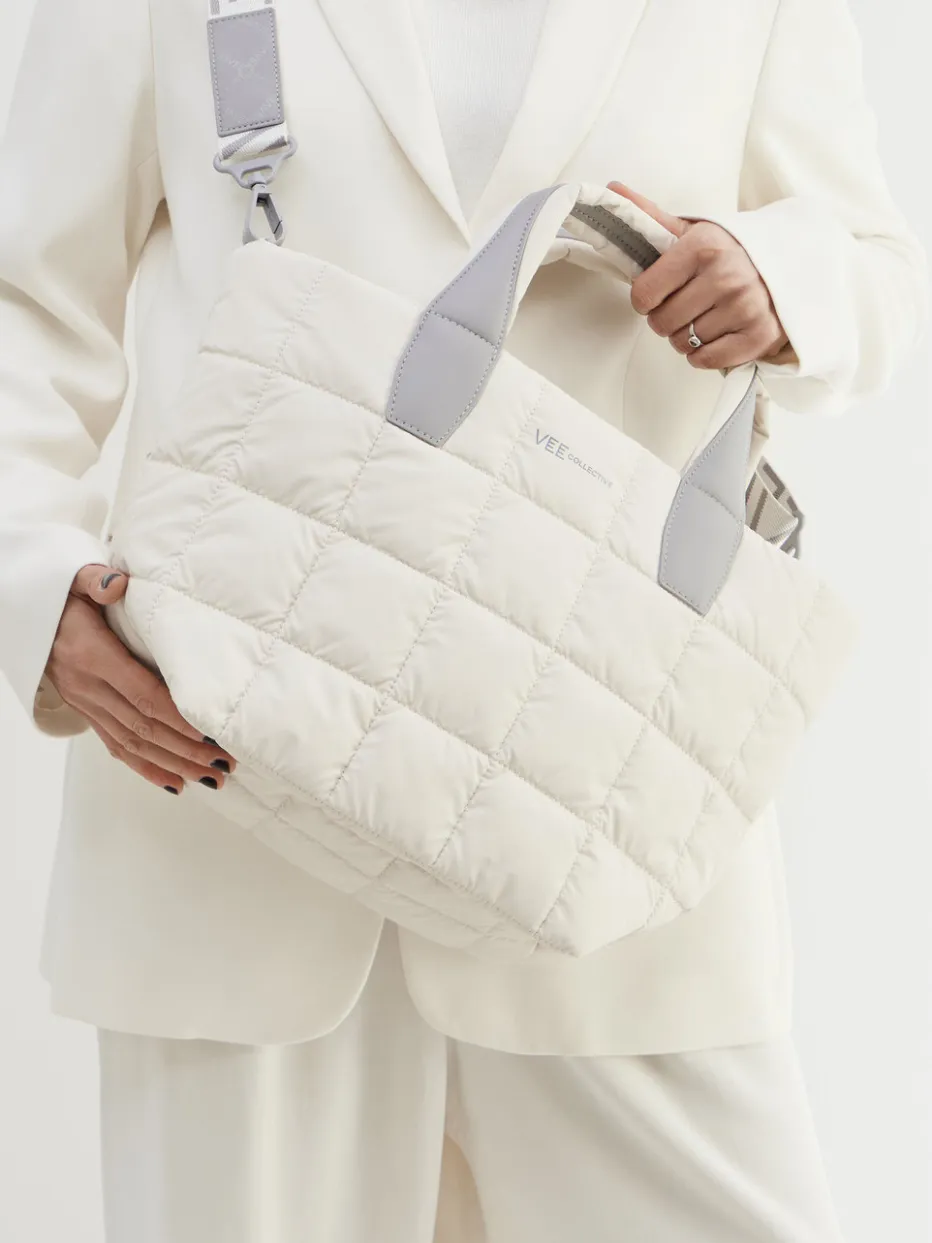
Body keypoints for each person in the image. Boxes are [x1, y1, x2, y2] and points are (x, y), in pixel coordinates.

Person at [0, 0, 925, 1239]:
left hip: (604, 816)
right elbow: (27, 293)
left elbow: (873, 263)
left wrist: (780, 277)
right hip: (225, 785)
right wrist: (36, 585)